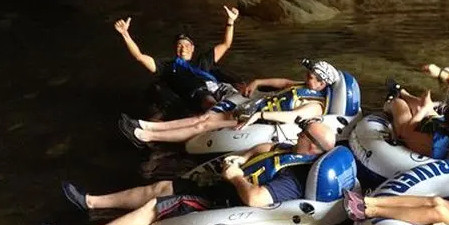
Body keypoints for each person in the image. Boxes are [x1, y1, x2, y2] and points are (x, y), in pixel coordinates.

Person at [39, 121, 337, 225]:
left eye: (304, 133)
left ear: (311, 147)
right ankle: (91, 202)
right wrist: (240, 156)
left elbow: (257, 200)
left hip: (223, 203)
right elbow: (263, 149)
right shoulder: (289, 149)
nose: (298, 133)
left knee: (155, 207)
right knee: (162, 186)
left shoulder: (295, 176)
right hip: (216, 185)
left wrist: (235, 176)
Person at [118, 59, 341, 147]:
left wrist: (259, 116)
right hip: (252, 110)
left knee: (202, 125)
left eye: (313, 77)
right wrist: (259, 81)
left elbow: (291, 116)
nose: (308, 78)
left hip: (258, 121)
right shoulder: (304, 86)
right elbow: (283, 82)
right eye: (310, 74)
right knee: (202, 117)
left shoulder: (315, 104)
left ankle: (147, 136)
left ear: (323, 85)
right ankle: (145, 125)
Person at [114, 5, 240, 115]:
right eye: (179, 45)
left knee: (235, 92)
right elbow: (139, 57)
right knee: (207, 99)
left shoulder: (203, 60)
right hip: (195, 93)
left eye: (186, 45)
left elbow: (226, 44)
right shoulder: (167, 66)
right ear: (175, 49)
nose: (183, 48)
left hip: (215, 87)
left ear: (192, 48)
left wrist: (230, 21)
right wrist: (125, 34)